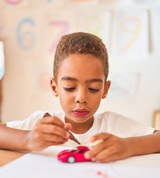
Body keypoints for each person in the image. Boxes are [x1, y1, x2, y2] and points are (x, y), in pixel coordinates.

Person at [0, 32, 160, 162]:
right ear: (54, 87)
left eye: (93, 88)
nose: (81, 98)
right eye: (70, 87)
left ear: (105, 89)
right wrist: (28, 139)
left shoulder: (114, 125)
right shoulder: (42, 122)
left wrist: (128, 146)